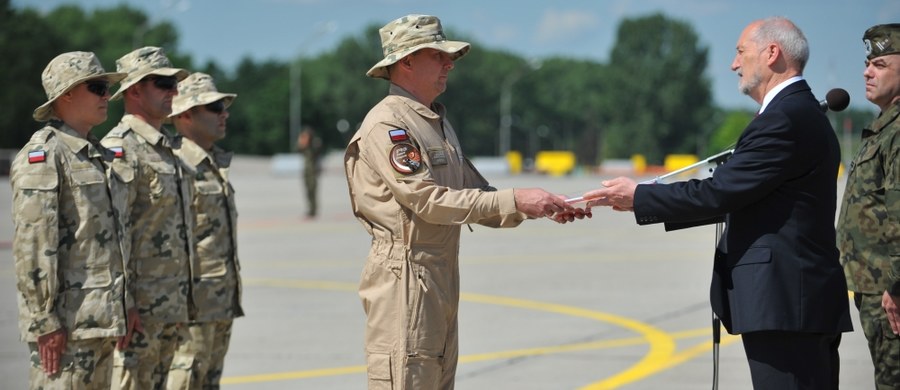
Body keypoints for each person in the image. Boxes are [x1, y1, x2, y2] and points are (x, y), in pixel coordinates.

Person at [582, 17, 852, 389]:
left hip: (787, 304)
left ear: (772, 53)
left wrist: (639, 196)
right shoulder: (795, 113)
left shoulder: (784, 119)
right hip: (795, 301)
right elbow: (739, 194)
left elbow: (719, 192)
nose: (733, 64)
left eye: (741, 52)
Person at [343, 14, 579, 389]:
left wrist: (542, 204)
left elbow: (474, 191)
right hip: (406, 279)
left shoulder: (433, 120)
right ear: (406, 62)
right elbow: (428, 201)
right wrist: (517, 199)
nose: (448, 64)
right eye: (438, 56)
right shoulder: (389, 124)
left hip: (438, 274)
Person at [11, 51, 128, 390]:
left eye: (106, 88)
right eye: (97, 88)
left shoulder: (98, 155)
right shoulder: (45, 155)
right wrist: (43, 321)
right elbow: (34, 245)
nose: (107, 96)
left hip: (100, 321)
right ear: (67, 94)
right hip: (67, 326)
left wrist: (124, 306)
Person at [100, 46, 193, 389]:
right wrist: (123, 304)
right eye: (163, 83)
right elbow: (112, 233)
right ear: (135, 90)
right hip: (139, 313)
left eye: (174, 84)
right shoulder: (118, 149)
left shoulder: (165, 148)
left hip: (169, 304)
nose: (174, 92)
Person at [168, 72, 244, 388]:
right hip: (189, 305)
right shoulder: (173, 164)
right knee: (183, 379)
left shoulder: (212, 163)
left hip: (219, 299)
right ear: (185, 114)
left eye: (224, 106)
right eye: (214, 107)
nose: (224, 114)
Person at [837, 23, 900, 390]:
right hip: (878, 290)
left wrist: (896, 286)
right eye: (867, 63)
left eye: (879, 64)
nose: (866, 72)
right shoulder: (885, 127)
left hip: (890, 293)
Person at [296, 125, 323, 219]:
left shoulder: (314, 144)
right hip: (307, 171)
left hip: (313, 171)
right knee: (308, 191)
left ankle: (313, 210)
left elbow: (318, 150)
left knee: (312, 190)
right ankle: (311, 209)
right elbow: (298, 149)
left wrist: (311, 141)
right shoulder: (306, 146)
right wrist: (301, 140)